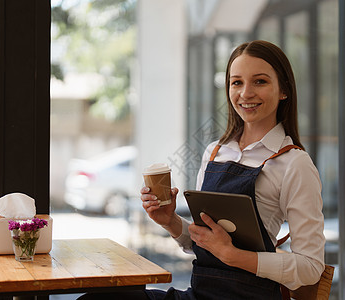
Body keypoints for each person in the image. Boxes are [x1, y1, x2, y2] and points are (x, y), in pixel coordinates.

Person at [79, 40, 325, 300]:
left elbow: (310, 269)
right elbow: (204, 243)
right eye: (237, 82)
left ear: (284, 90)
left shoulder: (294, 163)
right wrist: (170, 221)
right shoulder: (215, 152)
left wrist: (235, 256)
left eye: (260, 82)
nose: (245, 93)